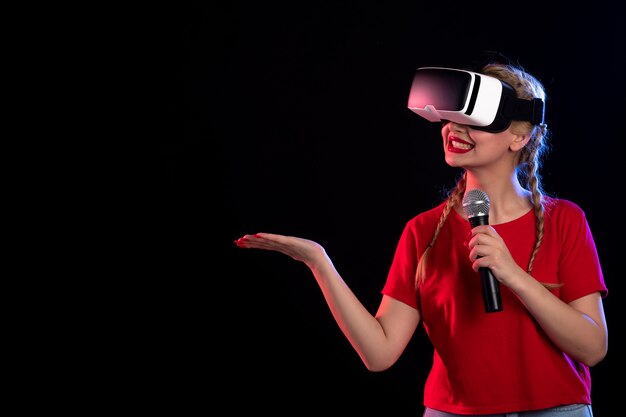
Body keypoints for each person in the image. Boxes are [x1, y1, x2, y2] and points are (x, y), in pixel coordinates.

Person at [234, 60, 608, 416]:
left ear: (519, 136)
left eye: (472, 121)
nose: (453, 130)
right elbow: (379, 353)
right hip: (454, 412)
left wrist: (513, 275)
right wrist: (319, 262)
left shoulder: (565, 221)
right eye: (449, 119)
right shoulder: (423, 231)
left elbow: (592, 348)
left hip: (558, 410)